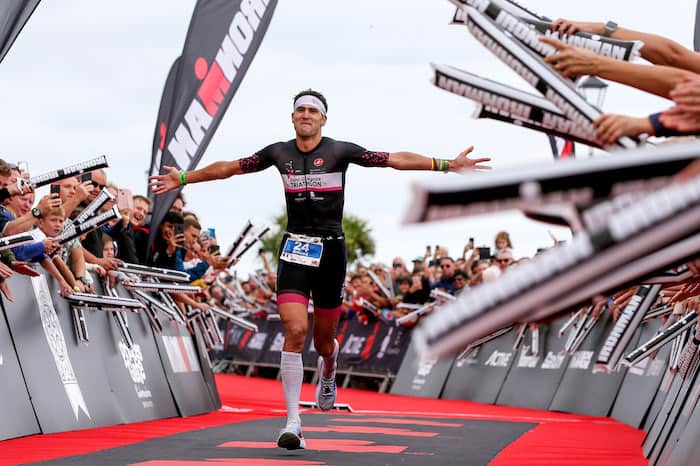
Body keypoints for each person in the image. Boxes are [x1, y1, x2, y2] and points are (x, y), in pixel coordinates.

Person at [149, 88, 490, 450]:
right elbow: (230, 168)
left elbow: (394, 160)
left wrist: (446, 164)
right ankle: (293, 421)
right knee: (294, 331)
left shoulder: (339, 151)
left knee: (323, 341)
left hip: (332, 252)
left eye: (313, 111)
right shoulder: (278, 153)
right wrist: (184, 179)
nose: (306, 115)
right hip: (295, 250)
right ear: (293, 117)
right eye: (301, 110)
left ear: (323, 119)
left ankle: (329, 368)